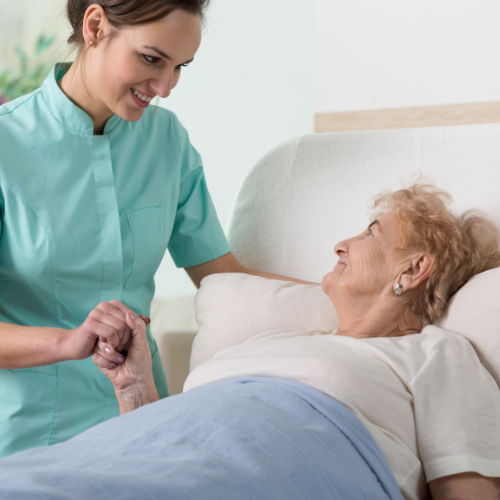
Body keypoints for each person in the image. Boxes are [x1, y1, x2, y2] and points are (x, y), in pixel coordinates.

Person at [0, 0, 302, 458]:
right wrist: (66, 342)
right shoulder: (7, 147)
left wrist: (366, 299)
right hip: (23, 439)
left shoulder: (167, 141)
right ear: (96, 26)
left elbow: (222, 276)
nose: (164, 87)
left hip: (142, 425)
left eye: (180, 67)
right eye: (151, 59)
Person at [94, 182, 500, 500]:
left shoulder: (436, 353)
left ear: (413, 270)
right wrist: (134, 387)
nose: (341, 245)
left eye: (370, 233)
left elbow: (466, 492)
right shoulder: (267, 340)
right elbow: (156, 449)